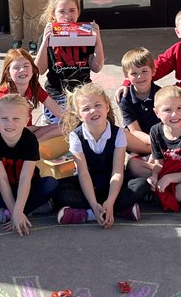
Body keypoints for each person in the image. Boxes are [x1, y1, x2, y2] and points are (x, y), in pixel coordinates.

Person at [0, 93, 60, 234]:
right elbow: (2, 179)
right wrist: (15, 212)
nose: (9, 123)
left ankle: (2, 214)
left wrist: (16, 211)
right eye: (4, 118)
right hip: (2, 189)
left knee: (51, 184)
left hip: (27, 187)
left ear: (26, 121)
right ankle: (27, 210)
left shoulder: (30, 140)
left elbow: (26, 179)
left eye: (16, 119)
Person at [55, 83, 140, 226]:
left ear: (107, 107)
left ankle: (98, 210)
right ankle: (104, 211)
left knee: (140, 184)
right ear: (79, 115)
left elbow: (118, 172)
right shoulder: (76, 136)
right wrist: (94, 203)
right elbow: (83, 173)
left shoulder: (118, 133)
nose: (93, 111)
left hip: (111, 186)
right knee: (60, 190)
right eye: (86, 109)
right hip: (88, 186)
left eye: (98, 105)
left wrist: (111, 200)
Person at [133, 85, 181, 213]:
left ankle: (155, 197)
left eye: (180, 108)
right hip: (165, 171)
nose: (174, 114)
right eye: (167, 110)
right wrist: (154, 176)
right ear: (157, 113)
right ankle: (177, 199)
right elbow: (159, 162)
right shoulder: (155, 131)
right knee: (133, 164)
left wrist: (169, 178)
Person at [34, 0, 104, 114]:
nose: (68, 15)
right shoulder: (47, 36)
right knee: (59, 131)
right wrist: (45, 41)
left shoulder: (85, 33)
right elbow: (39, 70)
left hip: (83, 93)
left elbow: (96, 67)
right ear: (53, 14)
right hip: (57, 95)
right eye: (62, 11)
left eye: (72, 10)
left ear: (78, 12)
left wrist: (97, 38)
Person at [0, 47, 65, 140]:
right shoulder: (5, 96)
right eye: (16, 67)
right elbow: (11, 129)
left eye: (26, 66)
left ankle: (33, 145)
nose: (22, 70)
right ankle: (33, 146)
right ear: (8, 74)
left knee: (67, 127)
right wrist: (38, 128)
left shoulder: (34, 87)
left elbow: (59, 112)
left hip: (27, 132)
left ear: (33, 70)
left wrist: (76, 121)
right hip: (5, 138)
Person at [116, 47, 160, 179]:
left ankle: (159, 173)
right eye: (134, 73)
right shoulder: (125, 98)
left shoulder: (161, 95)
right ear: (126, 76)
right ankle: (158, 171)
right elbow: (134, 131)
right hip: (140, 143)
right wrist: (156, 144)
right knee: (120, 135)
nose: (139, 76)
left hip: (161, 140)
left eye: (144, 71)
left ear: (153, 71)